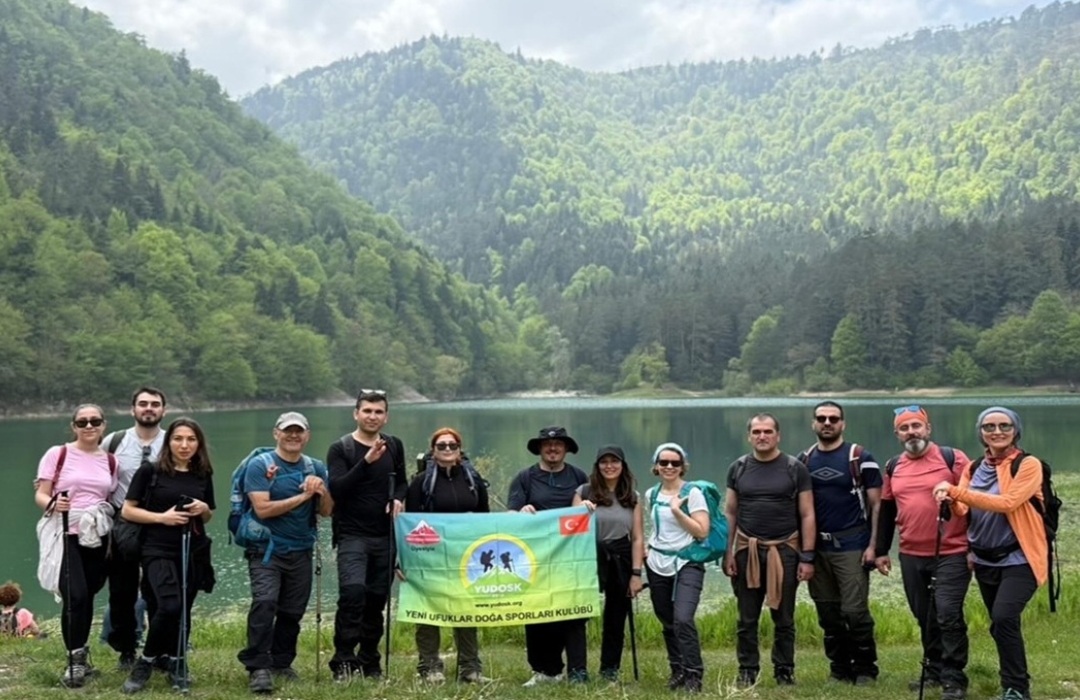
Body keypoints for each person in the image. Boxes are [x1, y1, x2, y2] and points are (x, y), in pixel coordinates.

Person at [933, 407, 1047, 700]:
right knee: (1000, 624)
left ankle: (1017, 689)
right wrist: (949, 499)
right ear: (980, 432)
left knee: (1004, 617)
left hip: (1021, 558)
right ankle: (1012, 682)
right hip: (984, 559)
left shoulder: (1028, 464)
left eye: (1004, 426)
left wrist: (956, 492)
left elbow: (1008, 503)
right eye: (989, 427)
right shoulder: (972, 468)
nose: (996, 431)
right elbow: (964, 509)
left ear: (1016, 430)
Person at [874, 405, 971, 700]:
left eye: (916, 426)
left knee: (947, 613)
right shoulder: (893, 466)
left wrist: (975, 548)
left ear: (928, 429)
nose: (911, 432)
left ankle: (954, 679)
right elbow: (888, 508)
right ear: (897, 434)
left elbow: (973, 502)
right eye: (904, 428)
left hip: (952, 551)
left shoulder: (952, 459)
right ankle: (933, 671)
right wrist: (880, 550)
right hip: (911, 553)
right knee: (925, 616)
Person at [237, 412, 333, 695]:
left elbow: (326, 511)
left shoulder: (315, 467)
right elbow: (262, 509)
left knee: (292, 611)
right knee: (265, 602)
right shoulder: (260, 465)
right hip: (266, 550)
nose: (293, 436)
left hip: (301, 550)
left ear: (307, 436)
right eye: (288, 431)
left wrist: (321, 489)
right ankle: (258, 667)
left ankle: (281, 662)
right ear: (276, 433)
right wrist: (304, 496)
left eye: (299, 431)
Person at [119, 417, 216, 694]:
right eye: (178, 439)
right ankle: (146, 662)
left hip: (193, 549)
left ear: (199, 443)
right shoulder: (150, 472)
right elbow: (128, 510)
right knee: (170, 606)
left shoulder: (202, 473)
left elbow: (208, 514)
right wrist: (162, 518)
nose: (184, 445)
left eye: (191, 439)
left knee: (183, 610)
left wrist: (202, 509)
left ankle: (178, 662)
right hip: (157, 549)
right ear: (168, 442)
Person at [724, 413, 815, 688]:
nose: (762, 436)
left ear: (778, 435)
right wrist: (727, 552)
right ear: (749, 436)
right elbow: (730, 512)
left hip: (785, 549)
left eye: (767, 431)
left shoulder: (794, 468)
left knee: (784, 617)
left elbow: (808, 513)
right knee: (746, 617)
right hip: (746, 550)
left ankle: (784, 670)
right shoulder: (738, 468)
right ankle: (747, 670)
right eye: (756, 432)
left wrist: (807, 556)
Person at [34, 404, 119, 688]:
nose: (89, 426)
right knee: (76, 596)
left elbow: (109, 495)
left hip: (97, 535)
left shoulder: (110, 461)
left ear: (103, 425)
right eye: (82, 422)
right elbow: (41, 494)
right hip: (66, 532)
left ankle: (81, 653)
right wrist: (54, 503)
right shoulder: (57, 454)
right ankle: (74, 660)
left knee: (90, 594)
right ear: (74, 427)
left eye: (94, 421)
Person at [325, 389, 406, 681]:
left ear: (386, 416)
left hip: (385, 536)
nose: (373, 416)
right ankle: (343, 661)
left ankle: (370, 660)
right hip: (351, 535)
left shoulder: (394, 445)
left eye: (379, 412)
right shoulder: (341, 448)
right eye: (367, 411)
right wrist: (366, 462)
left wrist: (398, 498)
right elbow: (337, 488)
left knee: (376, 599)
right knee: (352, 593)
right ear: (356, 413)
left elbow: (402, 483)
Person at [799, 401, 881, 684]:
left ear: (842, 424)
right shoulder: (804, 460)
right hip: (817, 549)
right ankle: (839, 669)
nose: (827, 423)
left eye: (833, 418)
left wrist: (875, 547)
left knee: (855, 611)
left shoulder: (860, 457)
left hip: (853, 546)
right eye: (821, 418)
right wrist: (803, 552)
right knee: (828, 613)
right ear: (813, 424)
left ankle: (866, 669)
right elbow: (799, 509)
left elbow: (877, 507)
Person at [404, 427, 491, 683]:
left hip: (466, 555)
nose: (447, 450)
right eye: (441, 446)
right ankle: (430, 667)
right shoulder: (421, 483)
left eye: (452, 445)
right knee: (428, 610)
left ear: (459, 450)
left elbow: (484, 517)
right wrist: (406, 560)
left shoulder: (473, 479)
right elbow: (410, 522)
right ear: (433, 450)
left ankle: (470, 668)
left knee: (466, 610)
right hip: (429, 554)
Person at [507, 426, 589, 686]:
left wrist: (587, 508)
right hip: (535, 559)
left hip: (570, 557)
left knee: (573, 613)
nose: (553, 449)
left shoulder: (579, 476)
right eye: (548, 445)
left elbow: (590, 512)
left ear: (565, 449)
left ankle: (578, 671)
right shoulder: (525, 478)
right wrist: (522, 511)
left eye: (558, 445)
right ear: (540, 449)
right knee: (537, 614)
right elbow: (511, 516)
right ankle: (545, 670)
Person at [100, 386, 168, 671]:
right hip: (123, 524)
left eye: (155, 404)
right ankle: (126, 648)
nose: (148, 408)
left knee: (159, 590)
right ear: (133, 409)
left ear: (163, 410)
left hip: (162, 523)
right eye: (143, 404)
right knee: (122, 592)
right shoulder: (113, 442)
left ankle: (160, 650)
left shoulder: (173, 441)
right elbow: (92, 477)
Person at [573, 445, 645, 683]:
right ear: (597, 466)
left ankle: (610, 667)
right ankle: (577, 668)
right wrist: (580, 511)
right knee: (579, 611)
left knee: (616, 614)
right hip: (589, 551)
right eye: (604, 462)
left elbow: (637, 538)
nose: (609, 466)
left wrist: (636, 573)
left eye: (614, 461)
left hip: (621, 553)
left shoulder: (631, 497)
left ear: (623, 465)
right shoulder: (584, 491)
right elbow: (570, 529)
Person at [643, 442, 708, 692]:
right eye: (664, 462)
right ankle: (677, 669)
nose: (669, 466)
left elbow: (702, 532)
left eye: (675, 463)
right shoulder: (651, 494)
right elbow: (658, 529)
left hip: (687, 561)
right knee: (667, 620)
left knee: (683, 618)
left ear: (683, 466)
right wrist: (647, 549)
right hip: (657, 562)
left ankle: (694, 674)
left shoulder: (692, 493)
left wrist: (677, 511)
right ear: (656, 466)